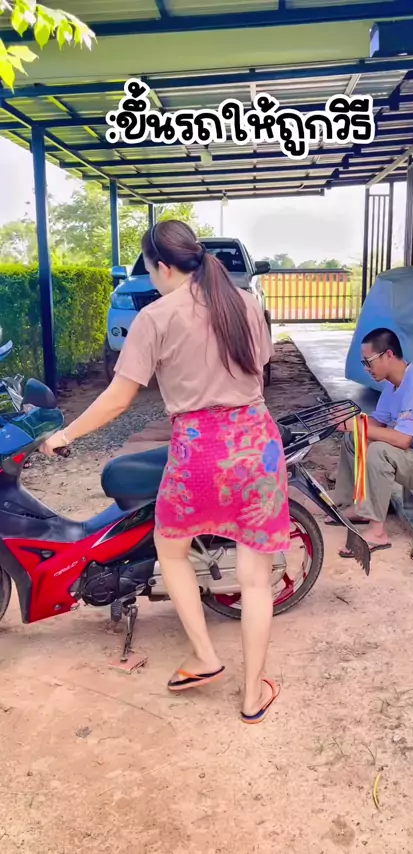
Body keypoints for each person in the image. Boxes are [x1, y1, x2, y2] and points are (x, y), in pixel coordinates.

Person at [40, 220, 291, 724]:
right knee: (256, 579)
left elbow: (118, 398)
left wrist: (64, 435)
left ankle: (205, 656)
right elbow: (260, 368)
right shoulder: (244, 302)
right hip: (256, 447)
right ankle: (251, 697)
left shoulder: (154, 317)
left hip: (197, 452)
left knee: (170, 548)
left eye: (150, 271)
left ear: (162, 267)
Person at [329, 327, 413, 557]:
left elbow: (402, 440)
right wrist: (351, 423)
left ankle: (377, 532)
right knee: (354, 438)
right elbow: (378, 422)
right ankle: (355, 505)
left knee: (379, 451)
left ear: (389, 355)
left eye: (368, 362)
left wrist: (358, 426)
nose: (366, 368)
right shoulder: (394, 383)